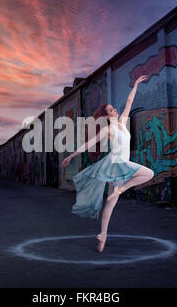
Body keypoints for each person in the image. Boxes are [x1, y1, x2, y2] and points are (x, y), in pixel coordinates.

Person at [62, 75, 154, 252]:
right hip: (116, 163)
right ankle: (120, 190)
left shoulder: (122, 123)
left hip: (118, 166)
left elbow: (129, 101)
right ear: (106, 115)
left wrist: (135, 84)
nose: (115, 110)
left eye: (113, 108)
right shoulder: (107, 129)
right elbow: (89, 144)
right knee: (148, 174)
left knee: (110, 204)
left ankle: (102, 236)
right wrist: (71, 156)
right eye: (111, 110)